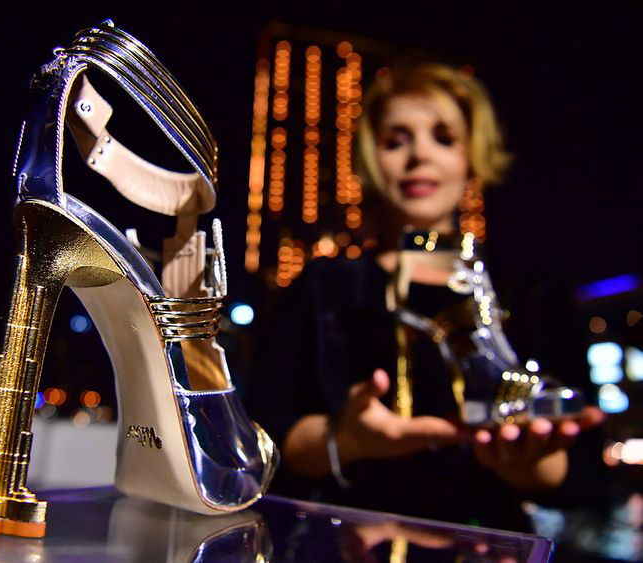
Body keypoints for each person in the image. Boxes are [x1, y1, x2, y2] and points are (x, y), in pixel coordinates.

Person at [247, 63, 603, 532]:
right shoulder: (323, 285)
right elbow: (259, 442)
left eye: (443, 138)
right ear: (371, 158)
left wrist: (530, 462)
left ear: (472, 154)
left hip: (488, 545)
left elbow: (587, 478)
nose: (419, 156)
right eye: (396, 141)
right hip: (347, 541)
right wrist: (345, 440)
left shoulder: (530, 289)